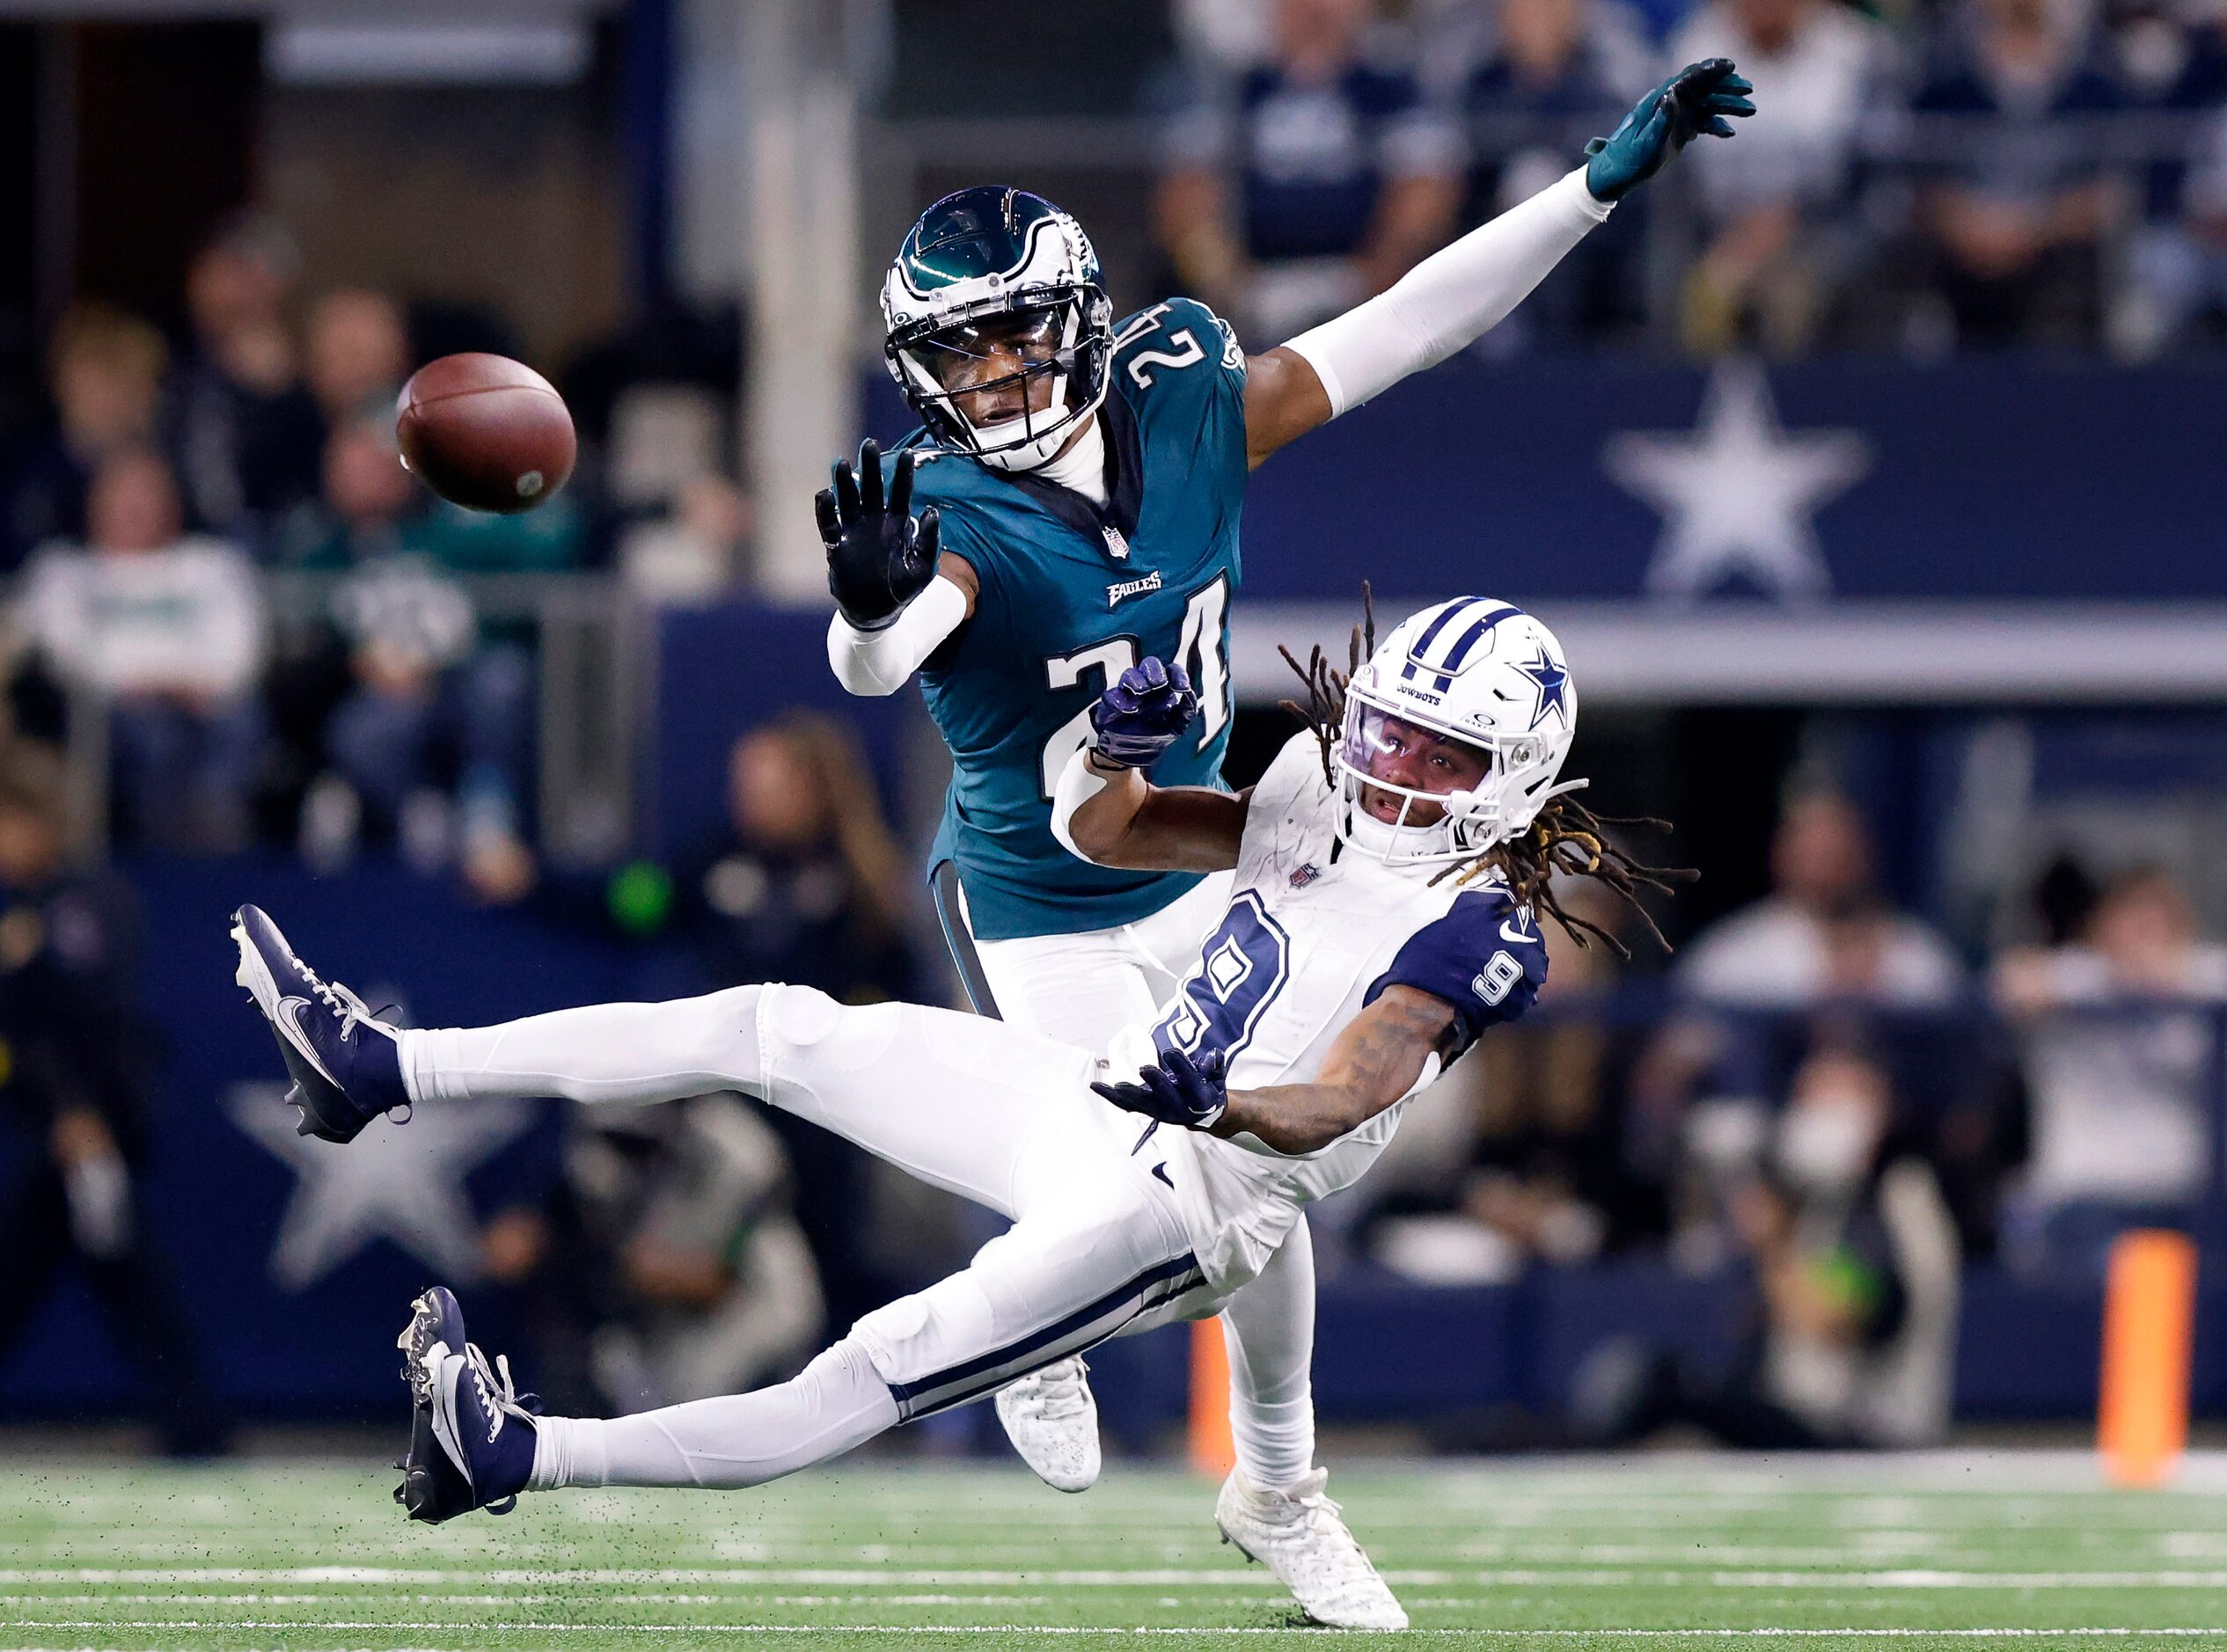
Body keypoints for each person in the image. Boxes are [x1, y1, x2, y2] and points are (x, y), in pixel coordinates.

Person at [233, 600, 1683, 1629]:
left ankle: (516, 1454)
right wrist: (1117, 750)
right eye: (1391, 731)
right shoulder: (1316, 779)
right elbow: (1102, 835)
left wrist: (1219, 1098)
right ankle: (386, 1067)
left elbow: (1344, 1092)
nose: (1394, 769)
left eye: (1439, 757)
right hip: (1100, 1100)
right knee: (776, 1024)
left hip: (1188, 1204)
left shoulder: (1480, 922)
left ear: (1514, 781)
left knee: (880, 1359)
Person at [810, 57, 1752, 1574]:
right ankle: (1035, 1315)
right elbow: (881, 661)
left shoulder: (1187, 401)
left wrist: (1591, 188)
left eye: (1011, 337)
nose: (988, 374)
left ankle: (1281, 1483)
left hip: (1207, 842)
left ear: (1081, 326)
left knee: (1252, 1173)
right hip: (1045, 879)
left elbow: (1411, 321)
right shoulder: (943, 506)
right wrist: (864, 611)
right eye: (957, 351)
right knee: (1088, 1187)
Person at [0, 742, 229, 1455]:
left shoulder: (88, 903)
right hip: (52, 1132)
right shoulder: (23, 912)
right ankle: (197, 1429)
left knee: (129, 1285)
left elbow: (104, 1021)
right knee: (70, 1276)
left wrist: (84, 1116)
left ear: (40, 822)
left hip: (97, 1130)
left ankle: (198, 1430)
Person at [1579, 1040, 1960, 1450]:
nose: (1819, 1114)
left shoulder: (1896, 1195)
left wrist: (1774, 1244)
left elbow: (1841, 1316)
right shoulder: (1825, 1203)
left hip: (1873, 1432)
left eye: (1837, 1097)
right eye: (1810, 1098)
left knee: (1670, 1393)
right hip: (1814, 1422)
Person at [1155, 0, 1464, 340]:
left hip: (1367, 286)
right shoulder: (1235, 84)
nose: (1316, 9)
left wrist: (1374, 284)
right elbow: (1185, 192)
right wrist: (1233, 290)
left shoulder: (1391, 85)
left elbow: (1429, 188)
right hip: (1255, 288)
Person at [16, 449, 267, 850]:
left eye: (147, 496)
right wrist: (142, 687)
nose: (136, 509)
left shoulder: (212, 565)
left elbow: (240, 656)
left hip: (205, 707)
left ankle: (221, 855)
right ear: (96, 503)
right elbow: (63, 654)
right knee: (153, 736)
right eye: (124, 496)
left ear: (172, 503)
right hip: (108, 712)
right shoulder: (62, 571)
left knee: (242, 723)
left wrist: (173, 688)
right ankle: (164, 860)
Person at [1992, 865, 2227, 1258]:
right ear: (2104, 926)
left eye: (2158, 924)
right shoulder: (2078, 977)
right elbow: (2013, 982)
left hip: (2182, 1191)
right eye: (2133, 922)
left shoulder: (2198, 980)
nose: (2145, 937)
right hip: (2086, 1192)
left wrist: (2166, 981)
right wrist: (2111, 985)